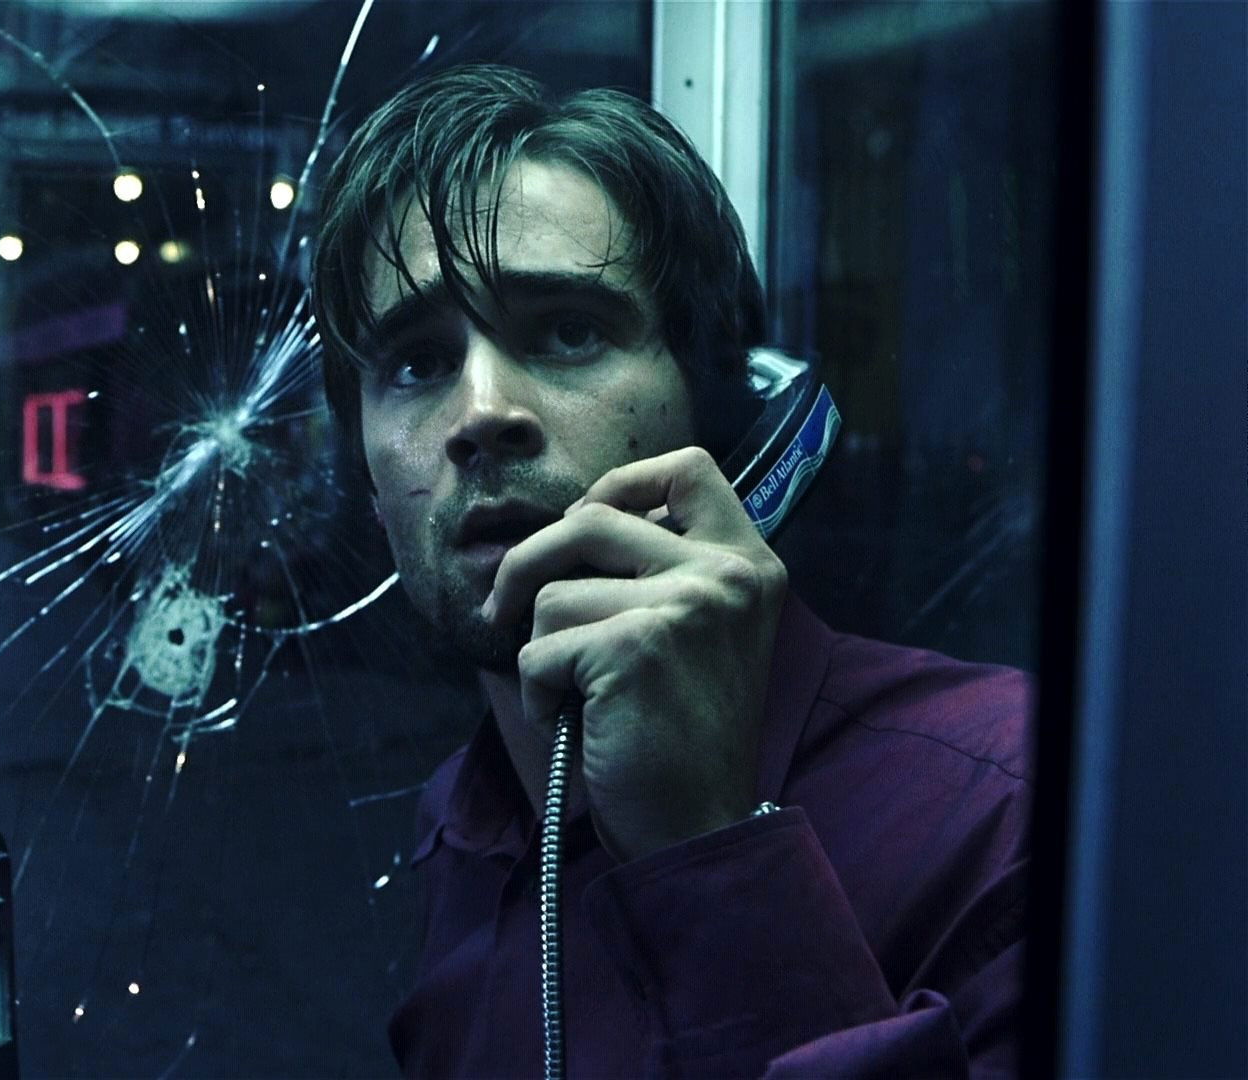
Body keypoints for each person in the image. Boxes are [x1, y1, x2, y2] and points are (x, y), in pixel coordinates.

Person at [311, 64, 1029, 1077]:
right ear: (369, 474)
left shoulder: (1006, 806)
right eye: (418, 364)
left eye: (569, 331)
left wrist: (709, 847)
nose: (480, 413)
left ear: (723, 412)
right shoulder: (465, 825)